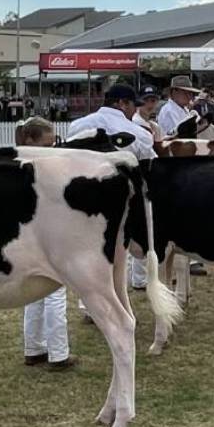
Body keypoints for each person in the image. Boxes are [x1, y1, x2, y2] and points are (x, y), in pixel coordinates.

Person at [68, 85, 158, 289]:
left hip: (83, 196)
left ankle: (89, 304)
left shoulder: (77, 126)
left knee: (87, 249)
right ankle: (117, 295)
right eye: (132, 106)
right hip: (121, 198)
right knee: (120, 249)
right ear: (121, 103)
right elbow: (148, 167)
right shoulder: (139, 134)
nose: (134, 111)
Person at [13, 117, 77, 370]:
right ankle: (58, 354)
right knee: (54, 292)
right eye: (48, 143)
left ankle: (34, 348)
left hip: (25, 234)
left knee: (33, 293)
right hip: (48, 232)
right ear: (31, 140)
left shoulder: (15, 161)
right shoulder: (43, 166)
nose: (52, 148)